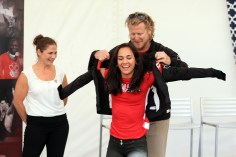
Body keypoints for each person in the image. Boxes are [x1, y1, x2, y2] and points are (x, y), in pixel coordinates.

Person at [58, 42, 225, 157]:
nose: (125, 62)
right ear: (115, 62)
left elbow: (184, 72)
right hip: (115, 142)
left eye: (129, 57)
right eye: (121, 58)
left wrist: (214, 72)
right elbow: (84, 78)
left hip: (137, 143)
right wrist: (63, 93)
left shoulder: (147, 77)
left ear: (135, 60)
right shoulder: (109, 76)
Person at [92, 12, 188, 157]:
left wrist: (170, 61)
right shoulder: (122, 51)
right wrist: (96, 54)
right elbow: (97, 71)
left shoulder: (162, 51)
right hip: (128, 123)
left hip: (156, 117)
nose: (136, 38)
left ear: (150, 31)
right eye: (132, 34)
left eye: (140, 33)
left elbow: (184, 71)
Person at [13, 34, 69, 157]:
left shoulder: (60, 72)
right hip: (36, 124)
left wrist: (54, 108)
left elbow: (64, 97)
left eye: (55, 53)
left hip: (60, 124)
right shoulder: (26, 75)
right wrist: (30, 121)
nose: (53, 56)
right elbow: (17, 101)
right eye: (50, 53)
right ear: (39, 52)